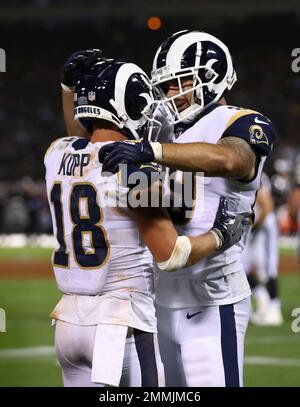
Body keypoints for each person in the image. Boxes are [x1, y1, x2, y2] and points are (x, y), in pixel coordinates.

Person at [45, 57, 244, 387]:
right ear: (127, 105)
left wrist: (69, 91)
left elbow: (87, 144)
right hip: (119, 323)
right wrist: (221, 235)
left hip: (67, 324)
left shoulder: (56, 153)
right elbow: (171, 255)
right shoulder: (134, 169)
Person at [99, 30, 277, 387]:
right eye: (164, 87)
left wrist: (154, 151)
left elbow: (230, 159)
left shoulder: (240, 121)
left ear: (210, 77)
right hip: (160, 299)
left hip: (213, 301)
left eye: (177, 84)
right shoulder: (164, 129)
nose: (169, 96)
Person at [242, 173, 283, 326]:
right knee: (244, 266)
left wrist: (255, 228)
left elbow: (266, 206)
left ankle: (274, 308)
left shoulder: (256, 172)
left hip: (264, 226)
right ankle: (262, 299)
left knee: (268, 267)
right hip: (255, 226)